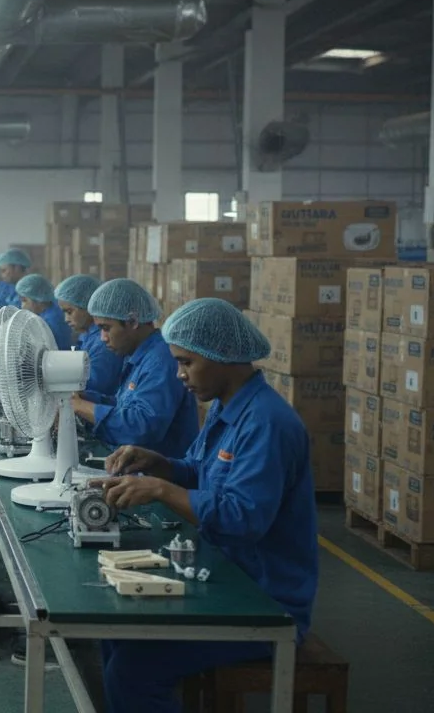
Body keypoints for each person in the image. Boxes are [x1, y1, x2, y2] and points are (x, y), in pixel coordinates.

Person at [92, 299, 318, 712]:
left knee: (133, 670)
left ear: (222, 357)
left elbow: (242, 518)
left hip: (264, 599)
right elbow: (200, 469)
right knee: (116, 629)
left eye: (186, 363)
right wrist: (161, 464)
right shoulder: (227, 406)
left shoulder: (267, 423)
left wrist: (160, 490)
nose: (179, 375)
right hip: (226, 575)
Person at [70, 278, 198, 460]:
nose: (103, 338)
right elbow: (127, 405)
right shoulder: (137, 354)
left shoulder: (161, 360)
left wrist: (80, 407)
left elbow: (143, 427)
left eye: (106, 328)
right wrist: (88, 399)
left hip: (161, 477)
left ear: (132, 321)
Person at [54, 275, 124, 397]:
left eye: (69, 312)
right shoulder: (87, 335)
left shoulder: (103, 342)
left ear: (89, 306)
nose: (66, 319)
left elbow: (94, 384)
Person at [15, 274, 72, 351]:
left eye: (24, 300)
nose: (22, 306)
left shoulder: (51, 321)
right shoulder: (52, 308)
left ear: (38, 299)